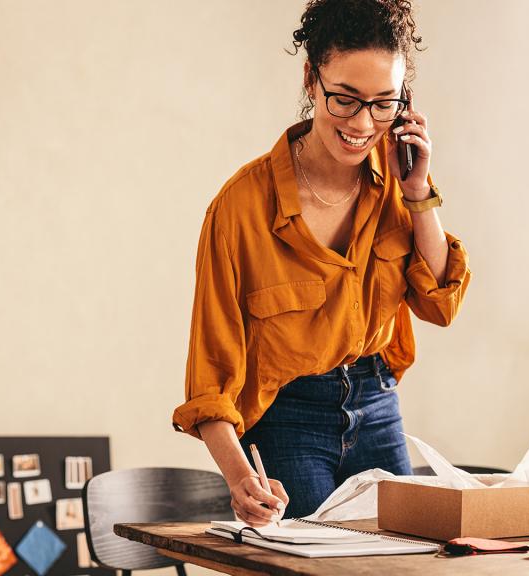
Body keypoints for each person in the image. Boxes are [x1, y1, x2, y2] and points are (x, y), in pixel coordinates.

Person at [172, 0, 471, 526]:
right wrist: (241, 478)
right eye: (345, 99)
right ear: (311, 78)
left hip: (377, 404)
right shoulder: (240, 209)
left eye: (384, 103)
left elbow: (440, 303)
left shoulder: (398, 182)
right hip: (289, 418)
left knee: (405, 562)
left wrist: (419, 191)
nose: (363, 123)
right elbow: (210, 379)